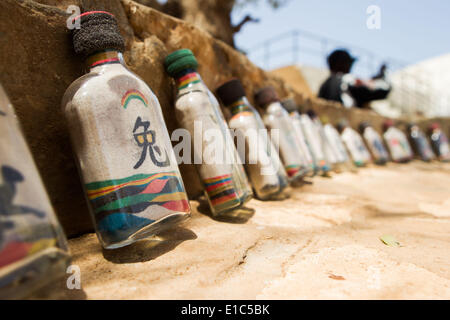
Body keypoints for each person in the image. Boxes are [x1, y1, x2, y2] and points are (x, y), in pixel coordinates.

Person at [318, 49, 391, 108]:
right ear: (344, 64)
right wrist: (384, 74)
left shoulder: (325, 84)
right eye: (349, 63)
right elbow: (382, 90)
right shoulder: (347, 79)